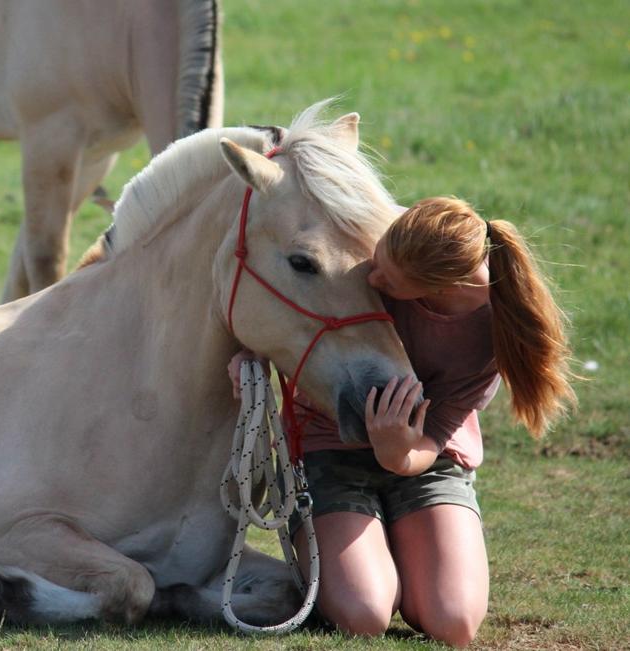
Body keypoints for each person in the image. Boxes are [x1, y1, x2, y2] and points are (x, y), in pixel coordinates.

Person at [228, 196, 575, 647]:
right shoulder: (374, 259)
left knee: (453, 622)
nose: (369, 278)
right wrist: (249, 349)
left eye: (386, 280)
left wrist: (399, 451)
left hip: (427, 459)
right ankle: (367, 552)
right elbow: (293, 301)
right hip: (328, 449)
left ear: (436, 288)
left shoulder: (496, 329)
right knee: (364, 614)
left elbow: (437, 435)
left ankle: (395, 540)